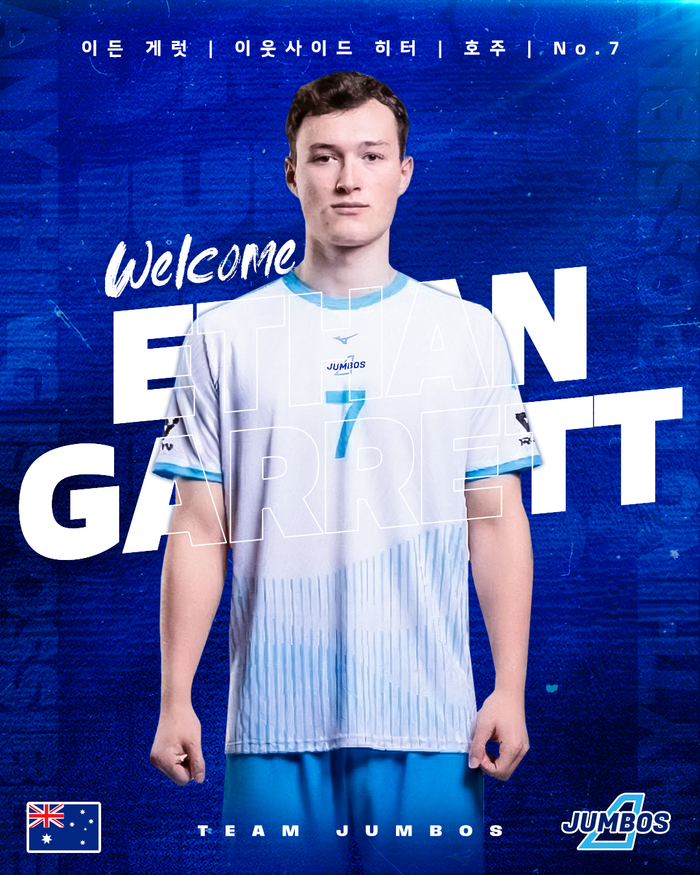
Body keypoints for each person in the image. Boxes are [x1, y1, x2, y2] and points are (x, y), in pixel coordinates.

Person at [149, 71, 540, 874]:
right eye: (324, 157)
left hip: (432, 724)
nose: (348, 177)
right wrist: (175, 694)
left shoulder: (467, 333)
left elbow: (496, 519)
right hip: (271, 726)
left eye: (371, 154)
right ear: (291, 173)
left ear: (404, 171)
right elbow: (197, 526)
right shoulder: (222, 337)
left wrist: (510, 685)